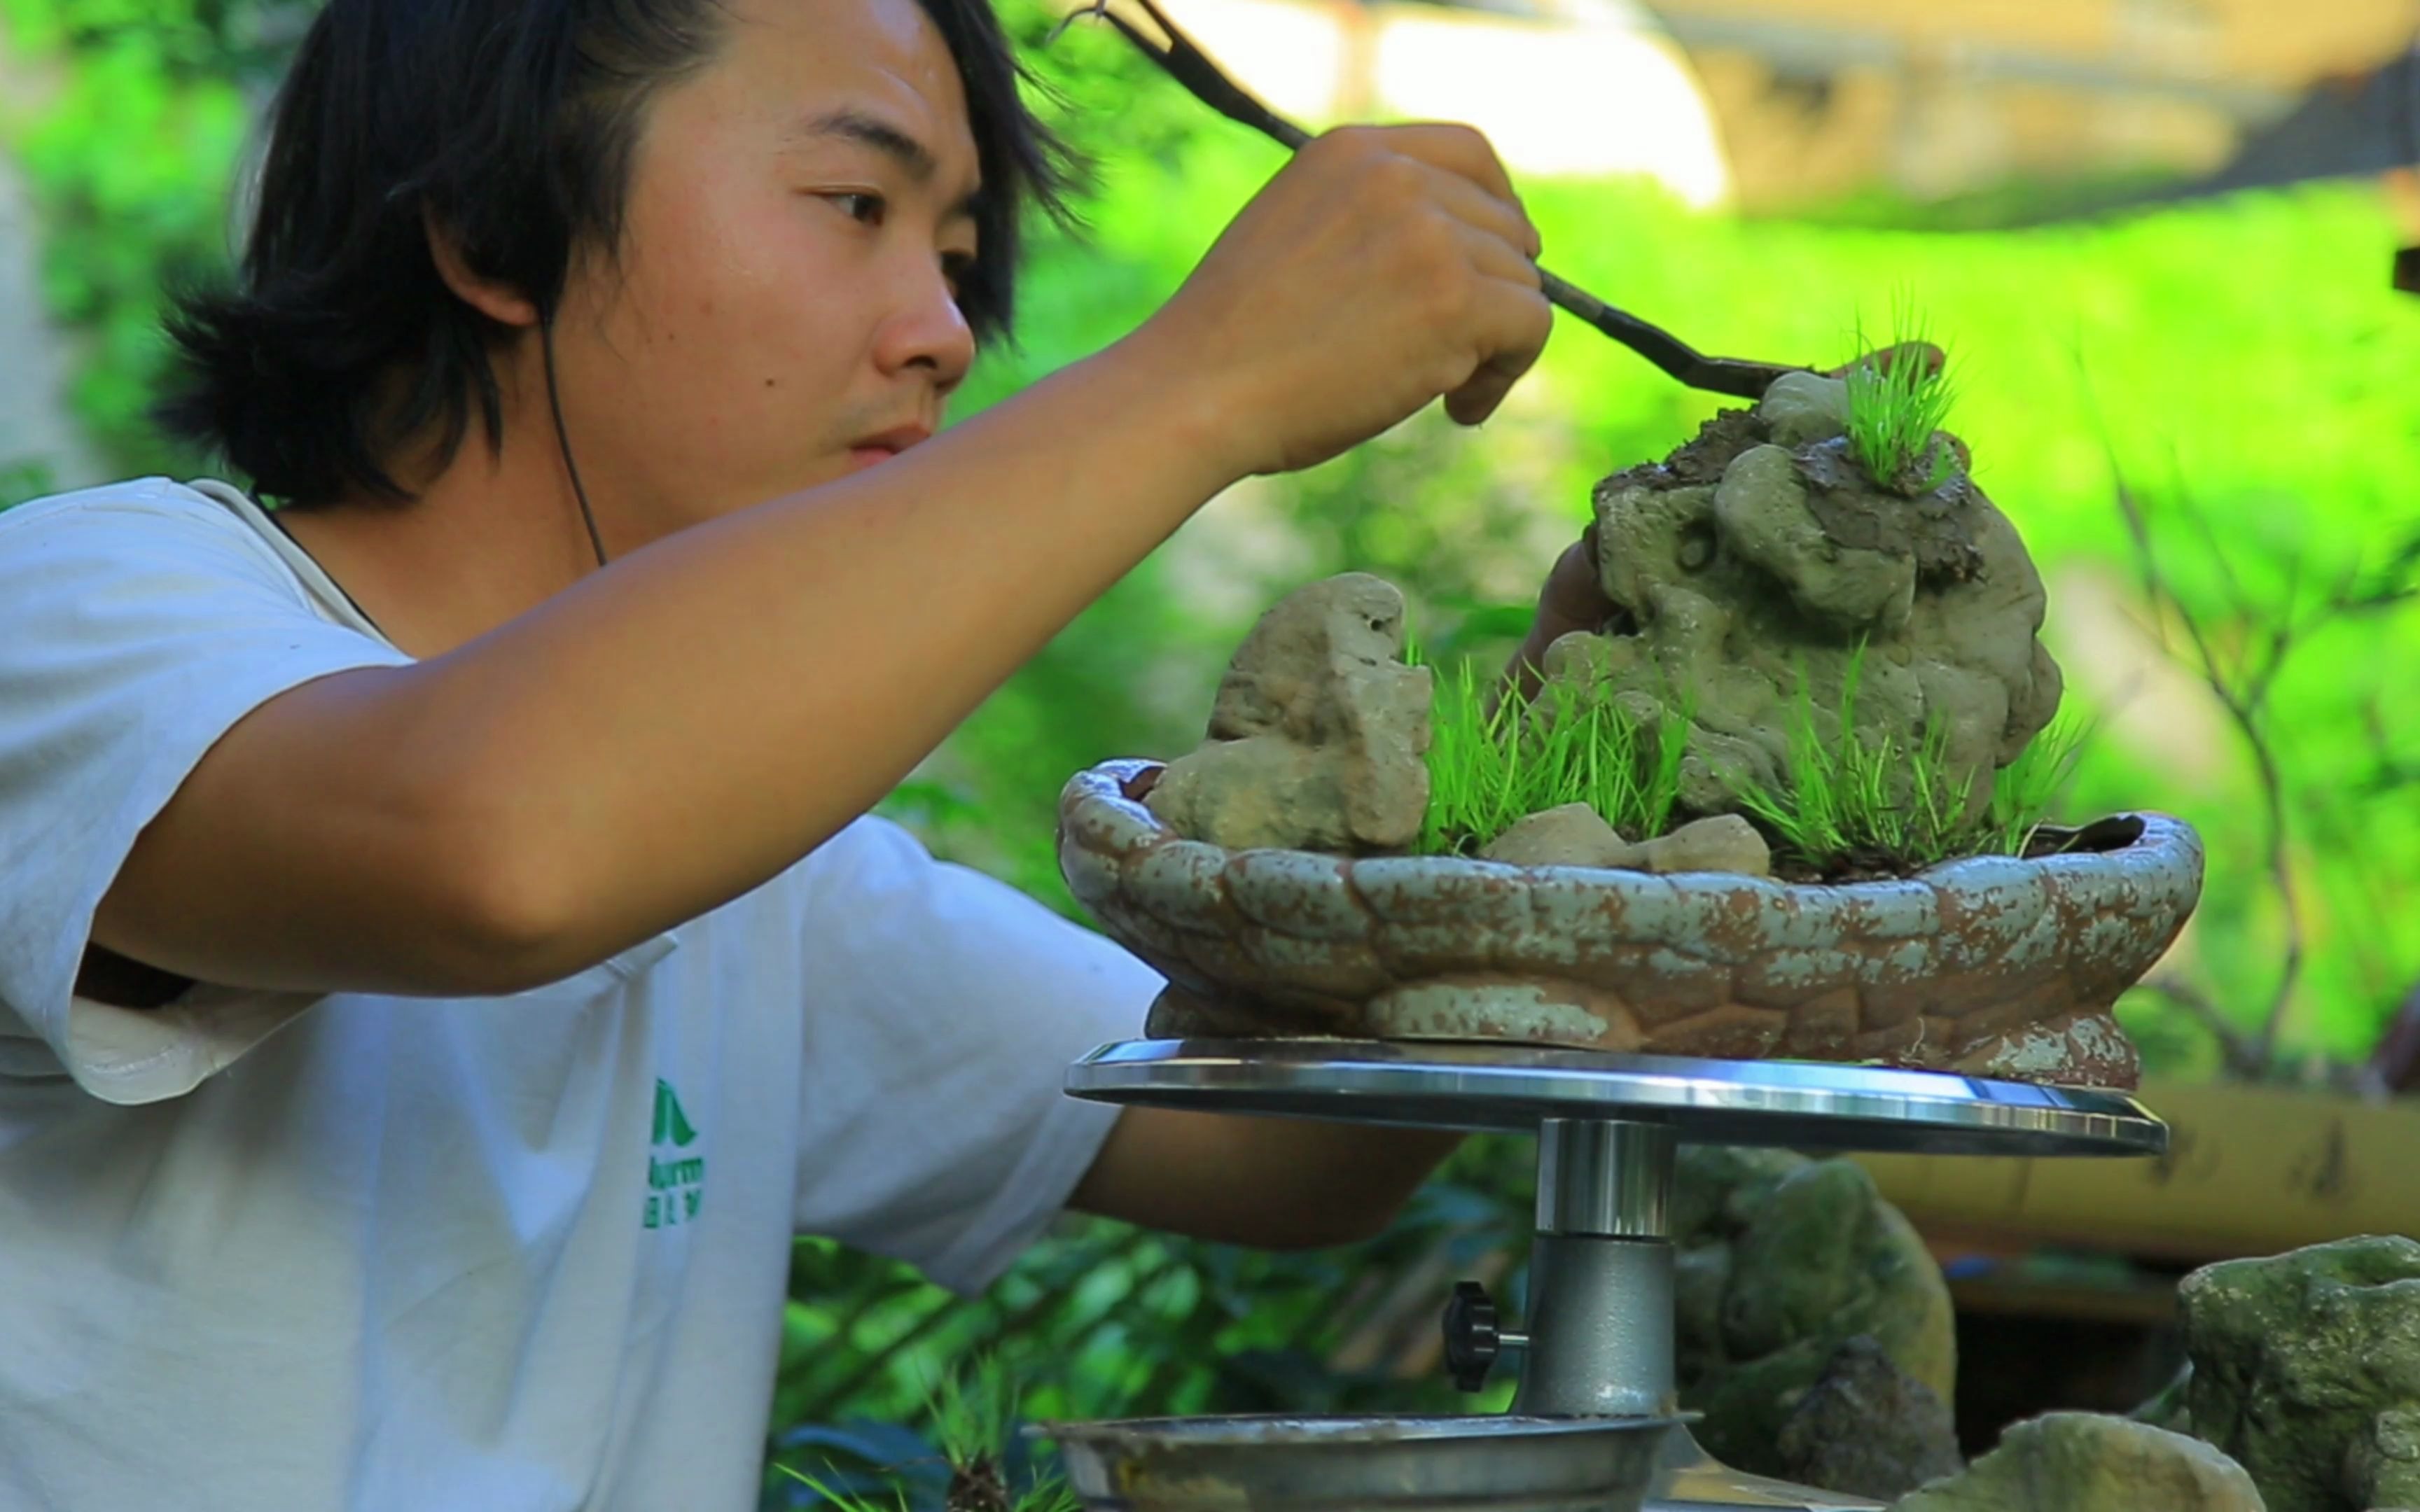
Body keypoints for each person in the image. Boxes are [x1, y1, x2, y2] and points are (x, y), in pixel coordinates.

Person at [0, 0, 1608, 1508]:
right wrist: (1206, 383)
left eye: (958, 253)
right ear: (498, 230)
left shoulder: (767, 878)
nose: (943, 332)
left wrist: (1586, 733)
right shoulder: (84, 624)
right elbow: (491, 851)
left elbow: (1283, 1149)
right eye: (856, 205)